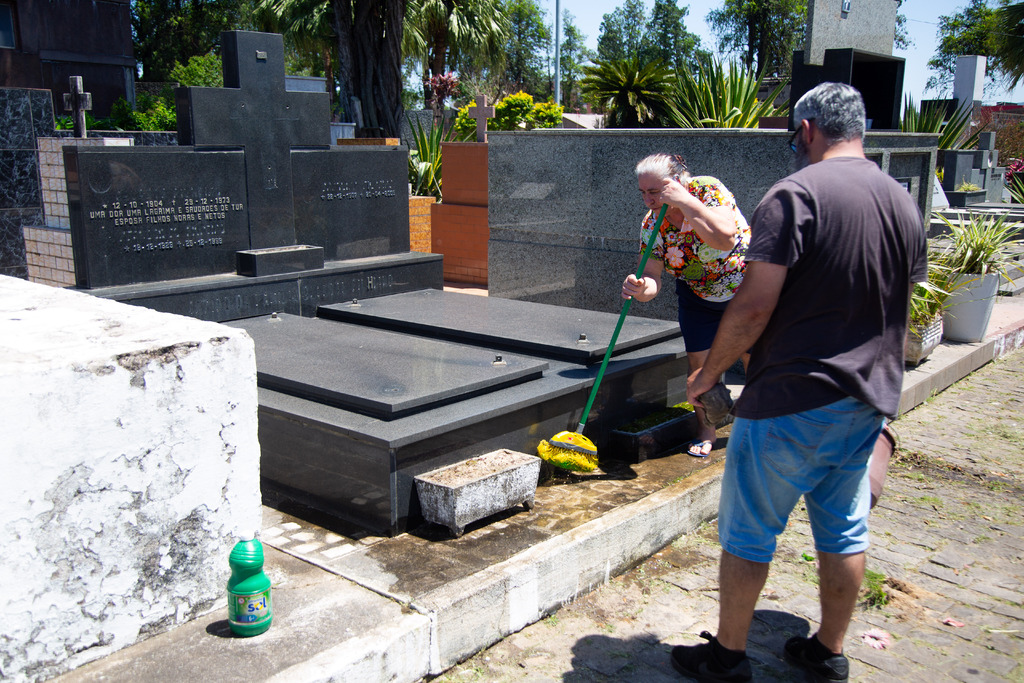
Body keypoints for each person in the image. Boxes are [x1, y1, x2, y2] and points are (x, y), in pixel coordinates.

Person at [678, 82, 928, 683]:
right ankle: (827, 649)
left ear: (810, 129)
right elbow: (900, 301)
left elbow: (754, 307)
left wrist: (707, 373)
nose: (796, 145)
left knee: (748, 531)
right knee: (843, 528)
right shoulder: (901, 202)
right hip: (866, 398)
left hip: (792, 395)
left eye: (795, 135)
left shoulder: (796, 195)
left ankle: (729, 656)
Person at [621, 153, 750, 457]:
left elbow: (725, 238)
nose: (649, 200)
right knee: (699, 369)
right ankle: (706, 429)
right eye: (643, 193)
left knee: (753, 362)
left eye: (656, 191)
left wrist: (684, 200)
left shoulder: (707, 189)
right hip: (698, 297)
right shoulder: (653, 224)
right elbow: (652, 276)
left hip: (745, 291)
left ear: (678, 181)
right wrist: (640, 288)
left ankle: (752, 427)